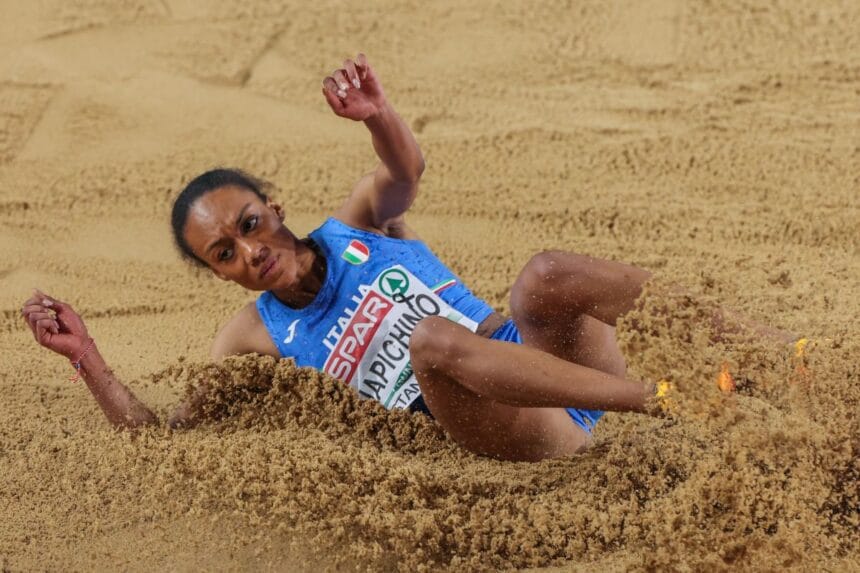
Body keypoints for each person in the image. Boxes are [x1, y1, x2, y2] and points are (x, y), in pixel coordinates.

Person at [20, 54, 774, 462]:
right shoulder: (251, 337)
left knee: (544, 274)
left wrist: (378, 114)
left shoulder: (356, 225)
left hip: (547, 358)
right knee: (432, 341)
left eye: (250, 224)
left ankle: (768, 352)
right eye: (226, 252)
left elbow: (404, 172)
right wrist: (86, 357)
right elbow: (164, 439)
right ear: (219, 272)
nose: (251, 251)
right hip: (503, 421)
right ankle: (664, 399)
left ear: (273, 207)